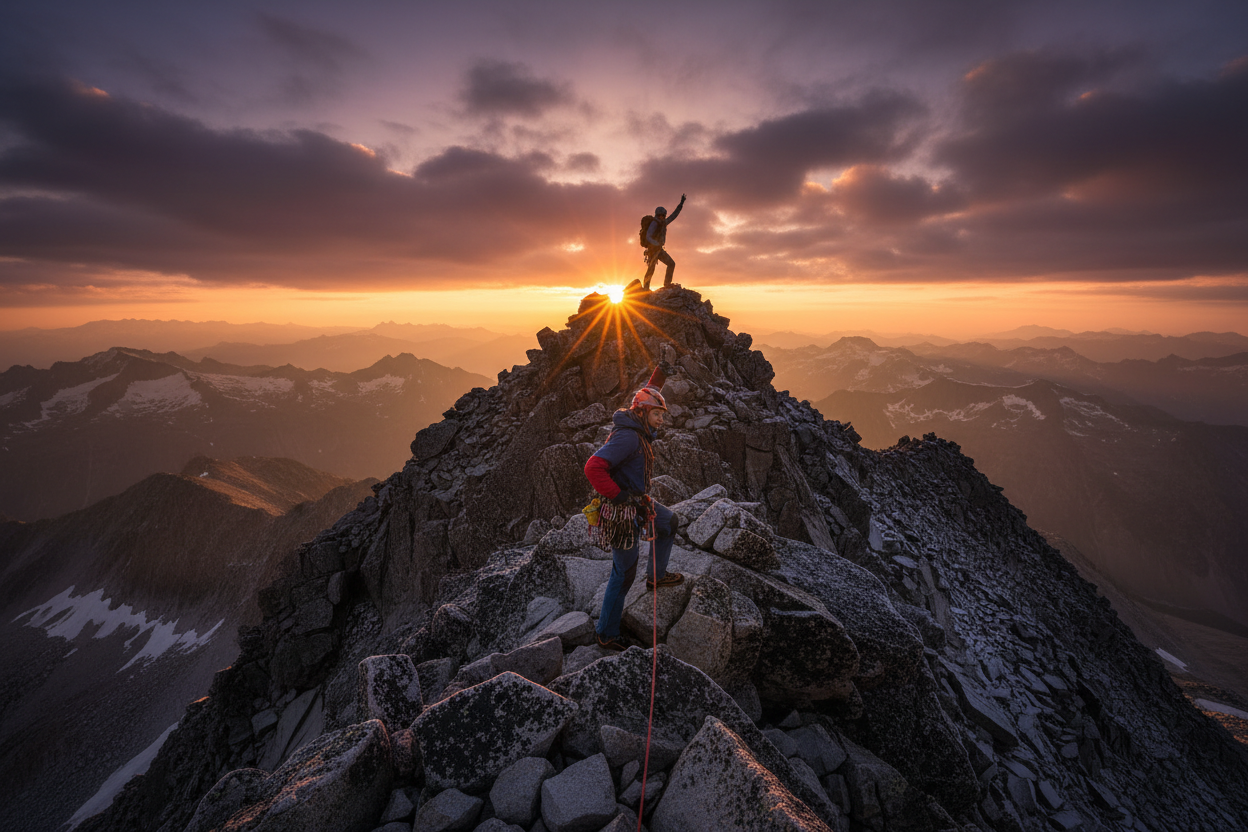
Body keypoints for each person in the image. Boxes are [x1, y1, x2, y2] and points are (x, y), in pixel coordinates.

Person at [584, 362, 683, 650]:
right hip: (622, 511)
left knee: (668, 522)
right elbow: (593, 468)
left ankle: (656, 577)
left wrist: (660, 376)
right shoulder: (628, 437)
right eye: (657, 414)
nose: (662, 420)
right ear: (642, 413)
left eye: (661, 414)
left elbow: (644, 395)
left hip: (636, 503)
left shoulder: (637, 427)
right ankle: (606, 633)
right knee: (624, 572)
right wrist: (620, 497)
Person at [642, 193, 686, 290]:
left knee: (671, 264)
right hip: (653, 250)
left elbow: (674, 215)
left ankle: (666, 283)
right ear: (657, 215)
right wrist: (656, 244)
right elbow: (648, 236)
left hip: (659, 249)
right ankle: (645, 288)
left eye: (663, 215)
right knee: (651, 269)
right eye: (661, 215)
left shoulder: (664, 223)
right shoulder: (654, 223)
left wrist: (681, 204)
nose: (662, 216)